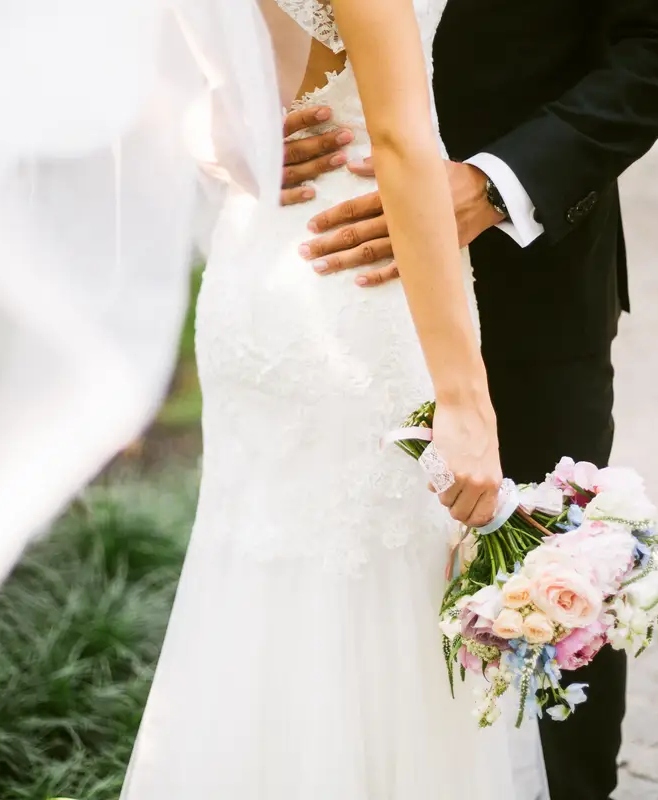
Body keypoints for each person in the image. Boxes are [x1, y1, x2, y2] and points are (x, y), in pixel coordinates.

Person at [280, 2, 658, 797]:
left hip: (528, 289)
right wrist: (226, 130)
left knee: (545, 599)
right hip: (325, 283)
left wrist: (498, 185)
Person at [123, 0, 548, 797]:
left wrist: (211, 130)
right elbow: (398, 137)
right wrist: (463, 398)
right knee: (376, 604)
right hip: (358, 282)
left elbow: (134, 72)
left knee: (275, 596)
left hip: (265, 262)